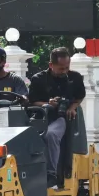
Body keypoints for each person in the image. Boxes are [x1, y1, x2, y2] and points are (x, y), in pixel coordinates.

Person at [28, 47, 86, 188]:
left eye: (67, 67)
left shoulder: (75, 78)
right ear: (51, 65)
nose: (65, 71)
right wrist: (48, 103)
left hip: (60, 118)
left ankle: (51, 174)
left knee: (51, 135)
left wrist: (72, 107)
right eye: (61, 68)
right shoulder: (38, 79)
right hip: (39, 117)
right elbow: (32, 101)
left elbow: (79, 97)